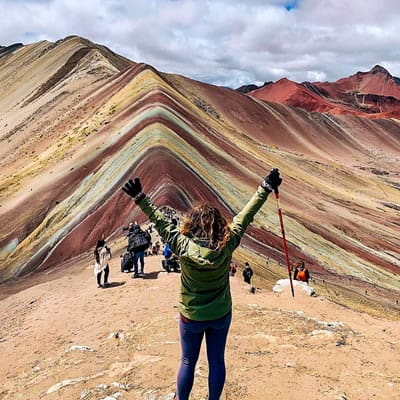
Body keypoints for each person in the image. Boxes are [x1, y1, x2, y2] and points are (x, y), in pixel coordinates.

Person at [122, 168, 282, 400]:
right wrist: (265, 187)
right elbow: (246, 215)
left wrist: (141, 199)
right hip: (220, 314)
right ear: (218, 225)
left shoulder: (181, 245)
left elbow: (159, 221)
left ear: (191, 225)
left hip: (191, 315)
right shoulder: (228, 244)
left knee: (187, 360)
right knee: (216, 361)